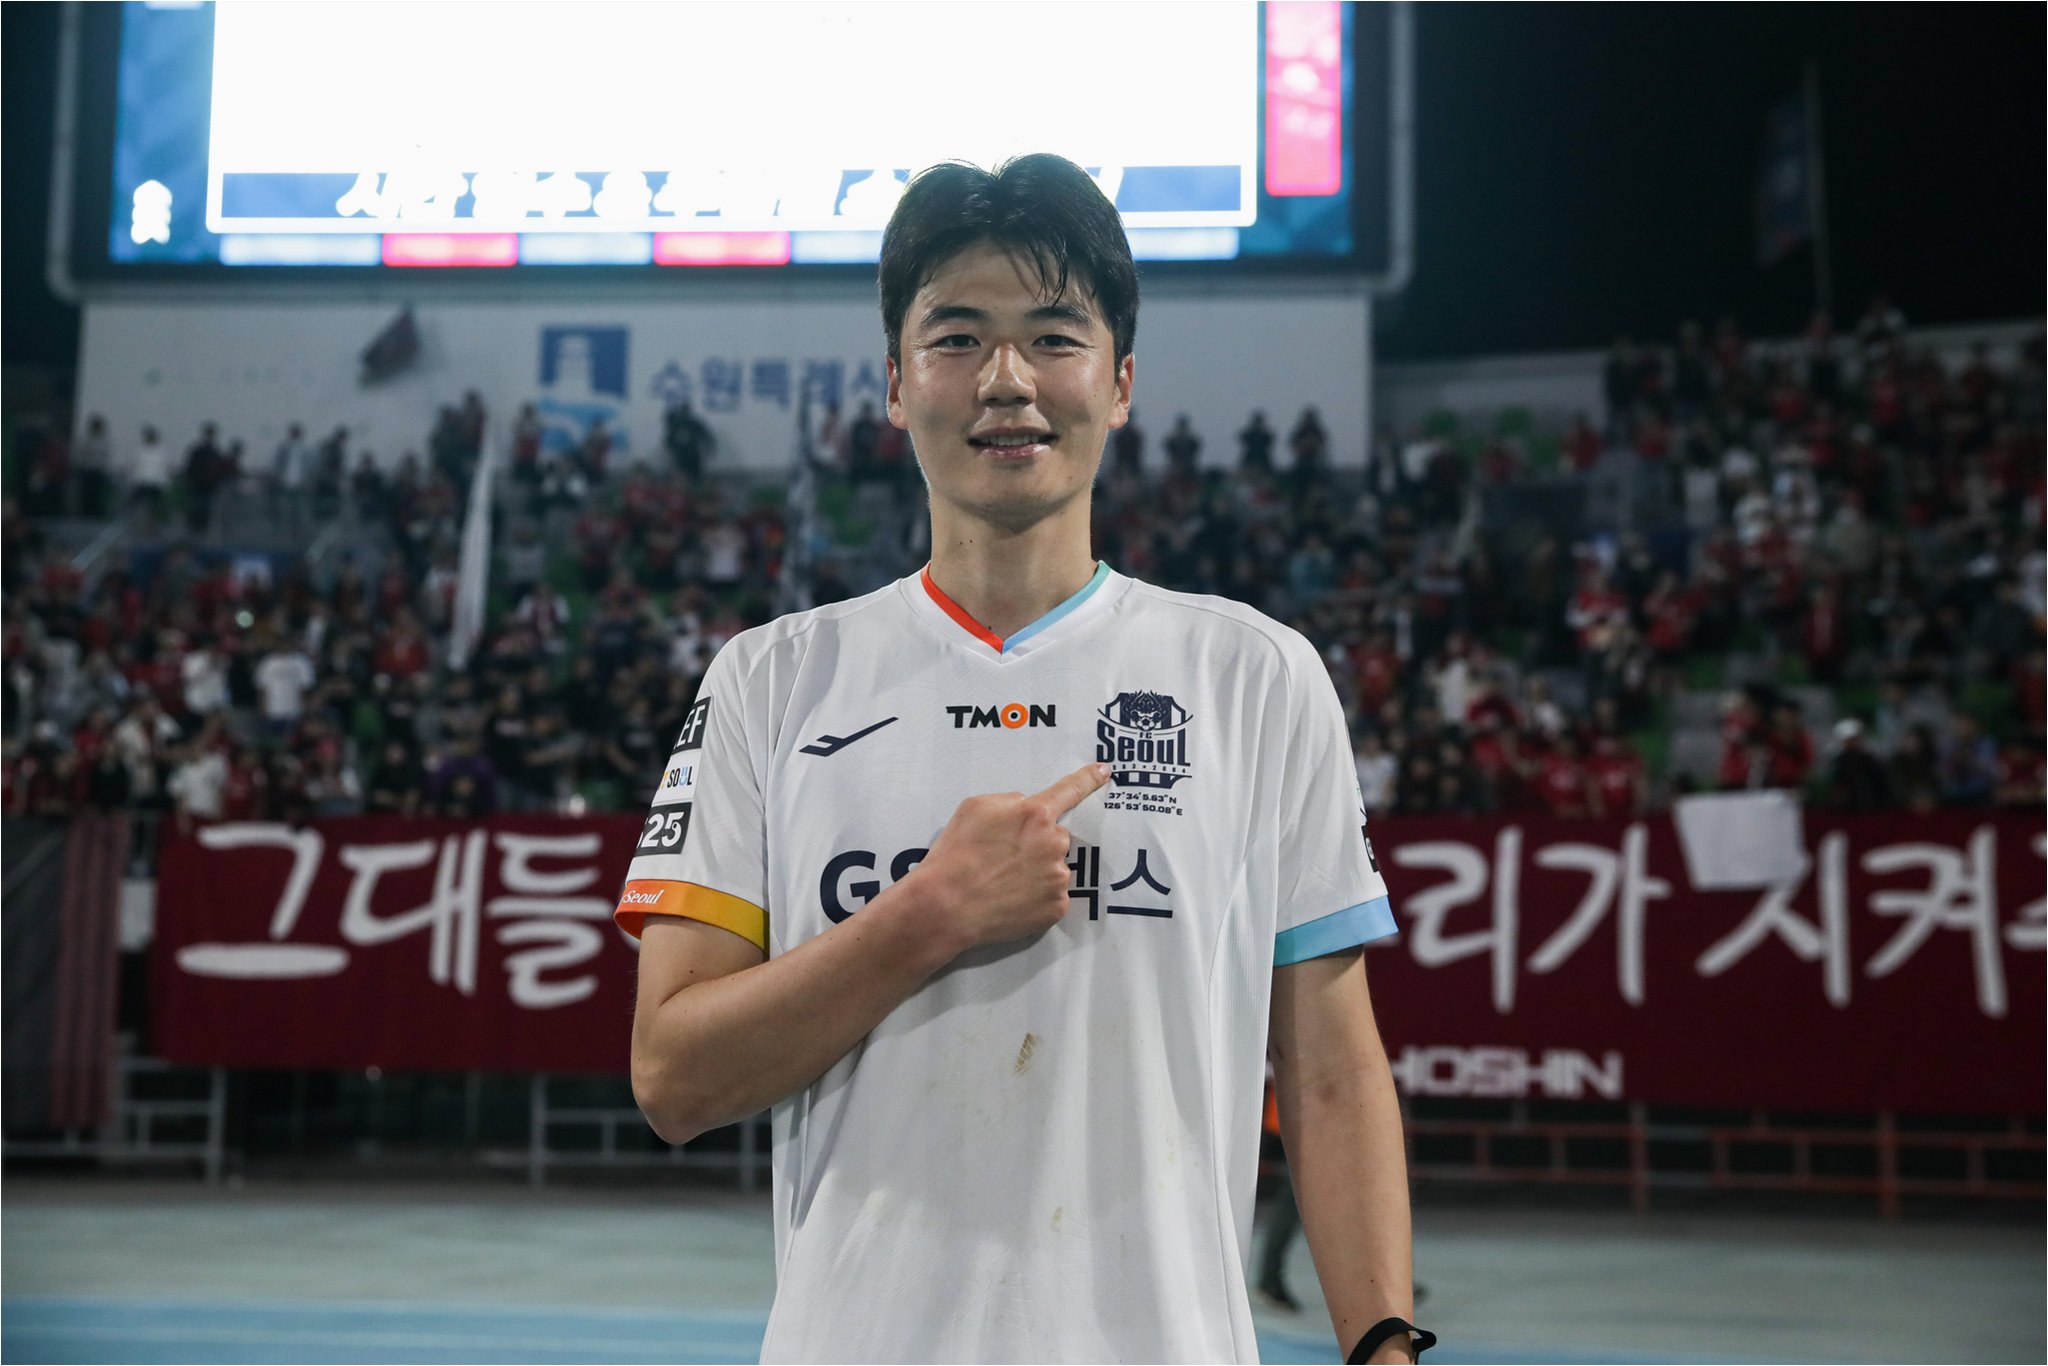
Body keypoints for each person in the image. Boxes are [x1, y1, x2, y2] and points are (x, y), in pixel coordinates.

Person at [617, 154, 1427, 1365]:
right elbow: (673, 1075)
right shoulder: (771, 682)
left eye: (1053, 337)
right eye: (956, 338)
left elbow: (1328, 1074)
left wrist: (1383, 1346)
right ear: (896, 385)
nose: (1006, 380)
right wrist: (927, 913)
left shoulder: (1254, 677)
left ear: (1121, 379)